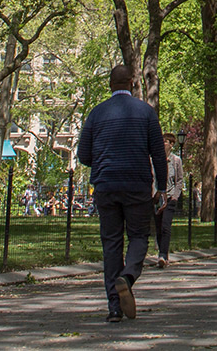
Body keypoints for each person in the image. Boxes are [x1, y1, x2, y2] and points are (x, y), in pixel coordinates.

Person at [76, 64, 166, 323]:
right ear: (132, 83)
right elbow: (159, 154)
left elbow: (83, 155)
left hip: (105, 185)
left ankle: (114, 307)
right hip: (137, 184)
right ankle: (127, 277)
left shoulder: (96, 114)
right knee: (139, 236)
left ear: (109, 85)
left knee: (111, 243)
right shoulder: (146, 113)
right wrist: (161, 187)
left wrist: (104, 159)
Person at [156, 132, 186, 266]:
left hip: (169, 197)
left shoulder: (176, 161)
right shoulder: (155, 159)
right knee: (158, 226)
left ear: (171, 144)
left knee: (165, 226)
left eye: (165, 142)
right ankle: (161, 253)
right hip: (156, 197)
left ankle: (163, 255)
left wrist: (175, 196)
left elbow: (179, 180)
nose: (163, 144)